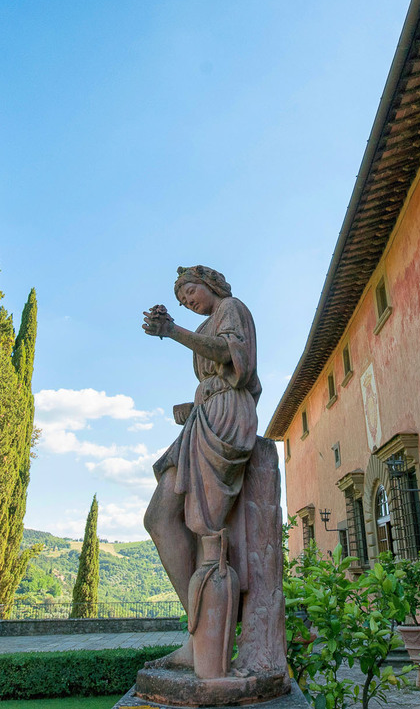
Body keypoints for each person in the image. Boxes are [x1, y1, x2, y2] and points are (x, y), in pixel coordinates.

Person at [142, 265, 261, 674]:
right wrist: (191, 406)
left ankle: (211, 649)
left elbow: (230, 356)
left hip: (228, 416)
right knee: (159, 518)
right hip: (204, 416)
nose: (187, 301)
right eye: (181, 299)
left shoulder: (232, 307)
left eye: (190, 291)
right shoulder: (211, 320)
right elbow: (213, 369)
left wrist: (173, 331)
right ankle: (197, 632)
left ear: (209, 284)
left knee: (206, 529)